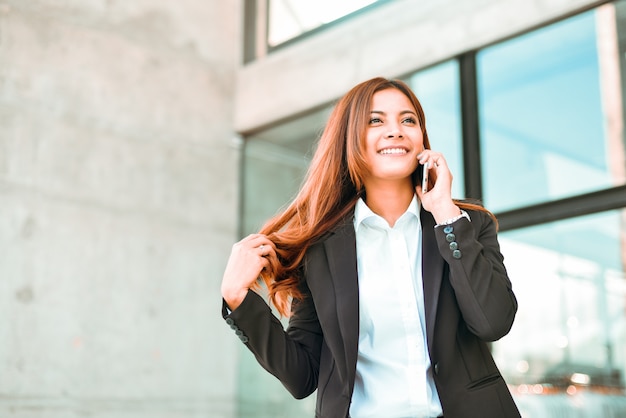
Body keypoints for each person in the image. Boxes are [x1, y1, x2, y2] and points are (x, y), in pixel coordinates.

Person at [221, 77, 521, 418]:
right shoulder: (320, 249)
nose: (395, 130)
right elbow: (302, 375)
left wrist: (446, 216)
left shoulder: (466, 225)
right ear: (351, 139)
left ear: (422, 139)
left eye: (408, 120)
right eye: (375, 120)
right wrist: (238, 300)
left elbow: (493, 322)